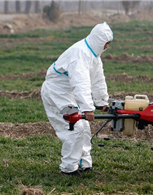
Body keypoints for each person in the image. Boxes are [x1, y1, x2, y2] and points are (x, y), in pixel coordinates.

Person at [41, 22, 113, 176]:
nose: (107, 47)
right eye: (106, 43)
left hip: (68, 94)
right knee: (74, 127)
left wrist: (102, 102)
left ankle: (84, 164)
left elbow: (97, 79)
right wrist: (87, 107)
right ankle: (68, 168)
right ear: (100, 41)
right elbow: (80, 82)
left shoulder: (93, 55)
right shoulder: (80, 54)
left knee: (84, 127)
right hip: (57, 93)